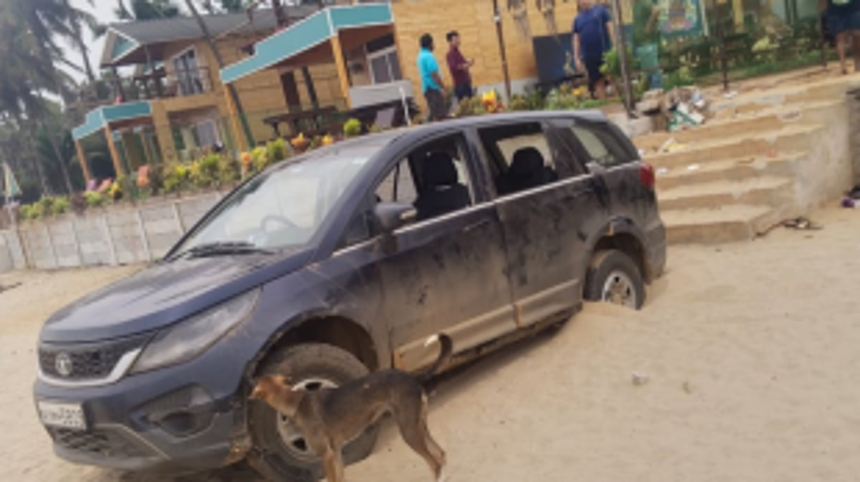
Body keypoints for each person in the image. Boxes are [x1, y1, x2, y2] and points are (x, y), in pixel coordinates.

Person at [572, 0, 615, 99]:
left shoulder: (601, 11)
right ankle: (604, 105)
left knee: (613, 78)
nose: (582, 2)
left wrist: (615, 47)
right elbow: (576, 40)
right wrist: (576, 58)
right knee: (597, 82)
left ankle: (618, 104)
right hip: (589, 56)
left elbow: (610, 28)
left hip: (605, 52)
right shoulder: (577, 19)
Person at [821, 0, 860, 74]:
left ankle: (857, 62)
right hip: (835, 9)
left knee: (856, 34)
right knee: (840, 37)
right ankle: (843, 65)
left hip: (854, 6)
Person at [417, 33, 448, 121]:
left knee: (435, 115)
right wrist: (443, 87)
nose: (434, 45)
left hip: (427, 89)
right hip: (433, 89)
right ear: (430, 44)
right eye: (433, 43)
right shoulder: (428, 56)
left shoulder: (420, 56)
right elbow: (434, 74)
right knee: (441, 116)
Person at [632, 0, 662, 89]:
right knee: (647, 72)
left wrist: (649, 26)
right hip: (640, 43)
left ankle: (658, 92)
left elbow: (656, 10)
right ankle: (652, 92)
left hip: (648, 42)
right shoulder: (636, 5)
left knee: (653, 71)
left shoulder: (644, 2)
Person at [446, 31, 475, 101]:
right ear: (450, 42)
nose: (458, 41)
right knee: (465, 108)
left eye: (458, 39)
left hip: (466, 83)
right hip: (460, 85)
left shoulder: (457, 52)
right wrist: (465, 65)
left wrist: (468, 61)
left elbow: (462, 62)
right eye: (455, 39)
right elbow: (454, 68)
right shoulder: (450, 54)